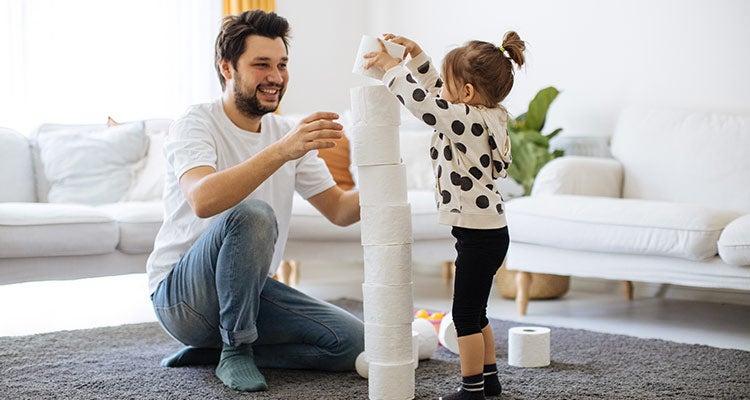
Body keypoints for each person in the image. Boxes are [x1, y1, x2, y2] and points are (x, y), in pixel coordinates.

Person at [146, 10, 364, 393]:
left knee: (352, 344)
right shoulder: (196, 123)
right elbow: (202, 199)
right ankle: (235, 350)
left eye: (282, 65)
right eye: (261, 64)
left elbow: (341, 210)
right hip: (182, 299)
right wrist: (282, 151)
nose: (276, 78)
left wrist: (389, 175)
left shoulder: (285, 135)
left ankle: (211, 353)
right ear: (227, 68)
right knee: (252, 214)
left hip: (248, 291)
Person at [365, 32, 525, 400]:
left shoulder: (465, 120)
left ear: (467, 93)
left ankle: (471, 391)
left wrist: (392, 69)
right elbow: (437, 90)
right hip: (487, 231)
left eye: (451, 85)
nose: (443, 88)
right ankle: (489, 381)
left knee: (465, 316)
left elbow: (425, 103)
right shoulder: (486, 114)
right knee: (477, 311)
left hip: (479, 235)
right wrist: (417, 56)